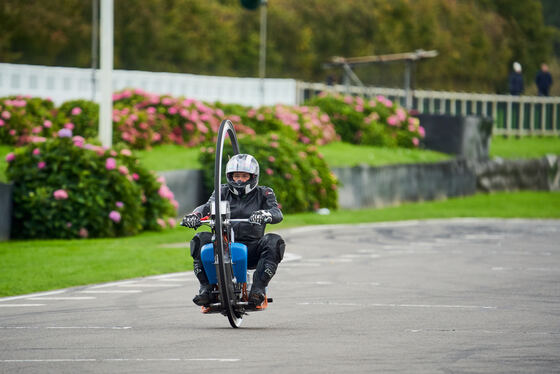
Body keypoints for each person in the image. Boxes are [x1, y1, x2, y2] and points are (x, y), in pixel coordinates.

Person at [182, 153, 285, 307]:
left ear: (253, 177)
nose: (239, 180)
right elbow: (206, 207)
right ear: (229, 176)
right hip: (223, 247)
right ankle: (206, 289)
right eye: (236, 175)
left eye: (244, 176)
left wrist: (264, 214)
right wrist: (194, 215)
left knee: (274, 241)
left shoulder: (264, 193)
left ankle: (258, 290)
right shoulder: (222, 191)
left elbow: (277, 213)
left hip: (252, 250)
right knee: (200, 239)